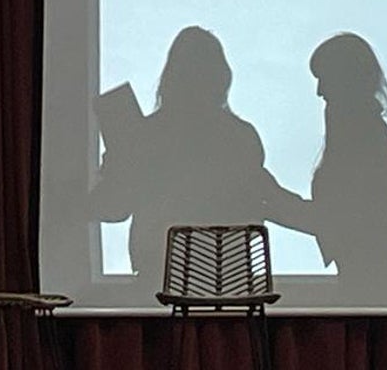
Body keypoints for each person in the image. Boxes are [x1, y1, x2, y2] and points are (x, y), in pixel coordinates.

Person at [90, 26, 309, 292]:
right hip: (232, 285)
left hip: (161, 286)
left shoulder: (143, 137)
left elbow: (113, 208)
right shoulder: (242, 137)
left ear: (170, 78)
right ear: (222, 79)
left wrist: (110, 168)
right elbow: (270, 199)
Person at [303, 32, 387, 294]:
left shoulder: (367, 139)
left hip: (370, 279)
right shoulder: (370, 135)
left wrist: (272, 203)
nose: (320, 92)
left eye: (325, 79)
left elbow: (344, 216)